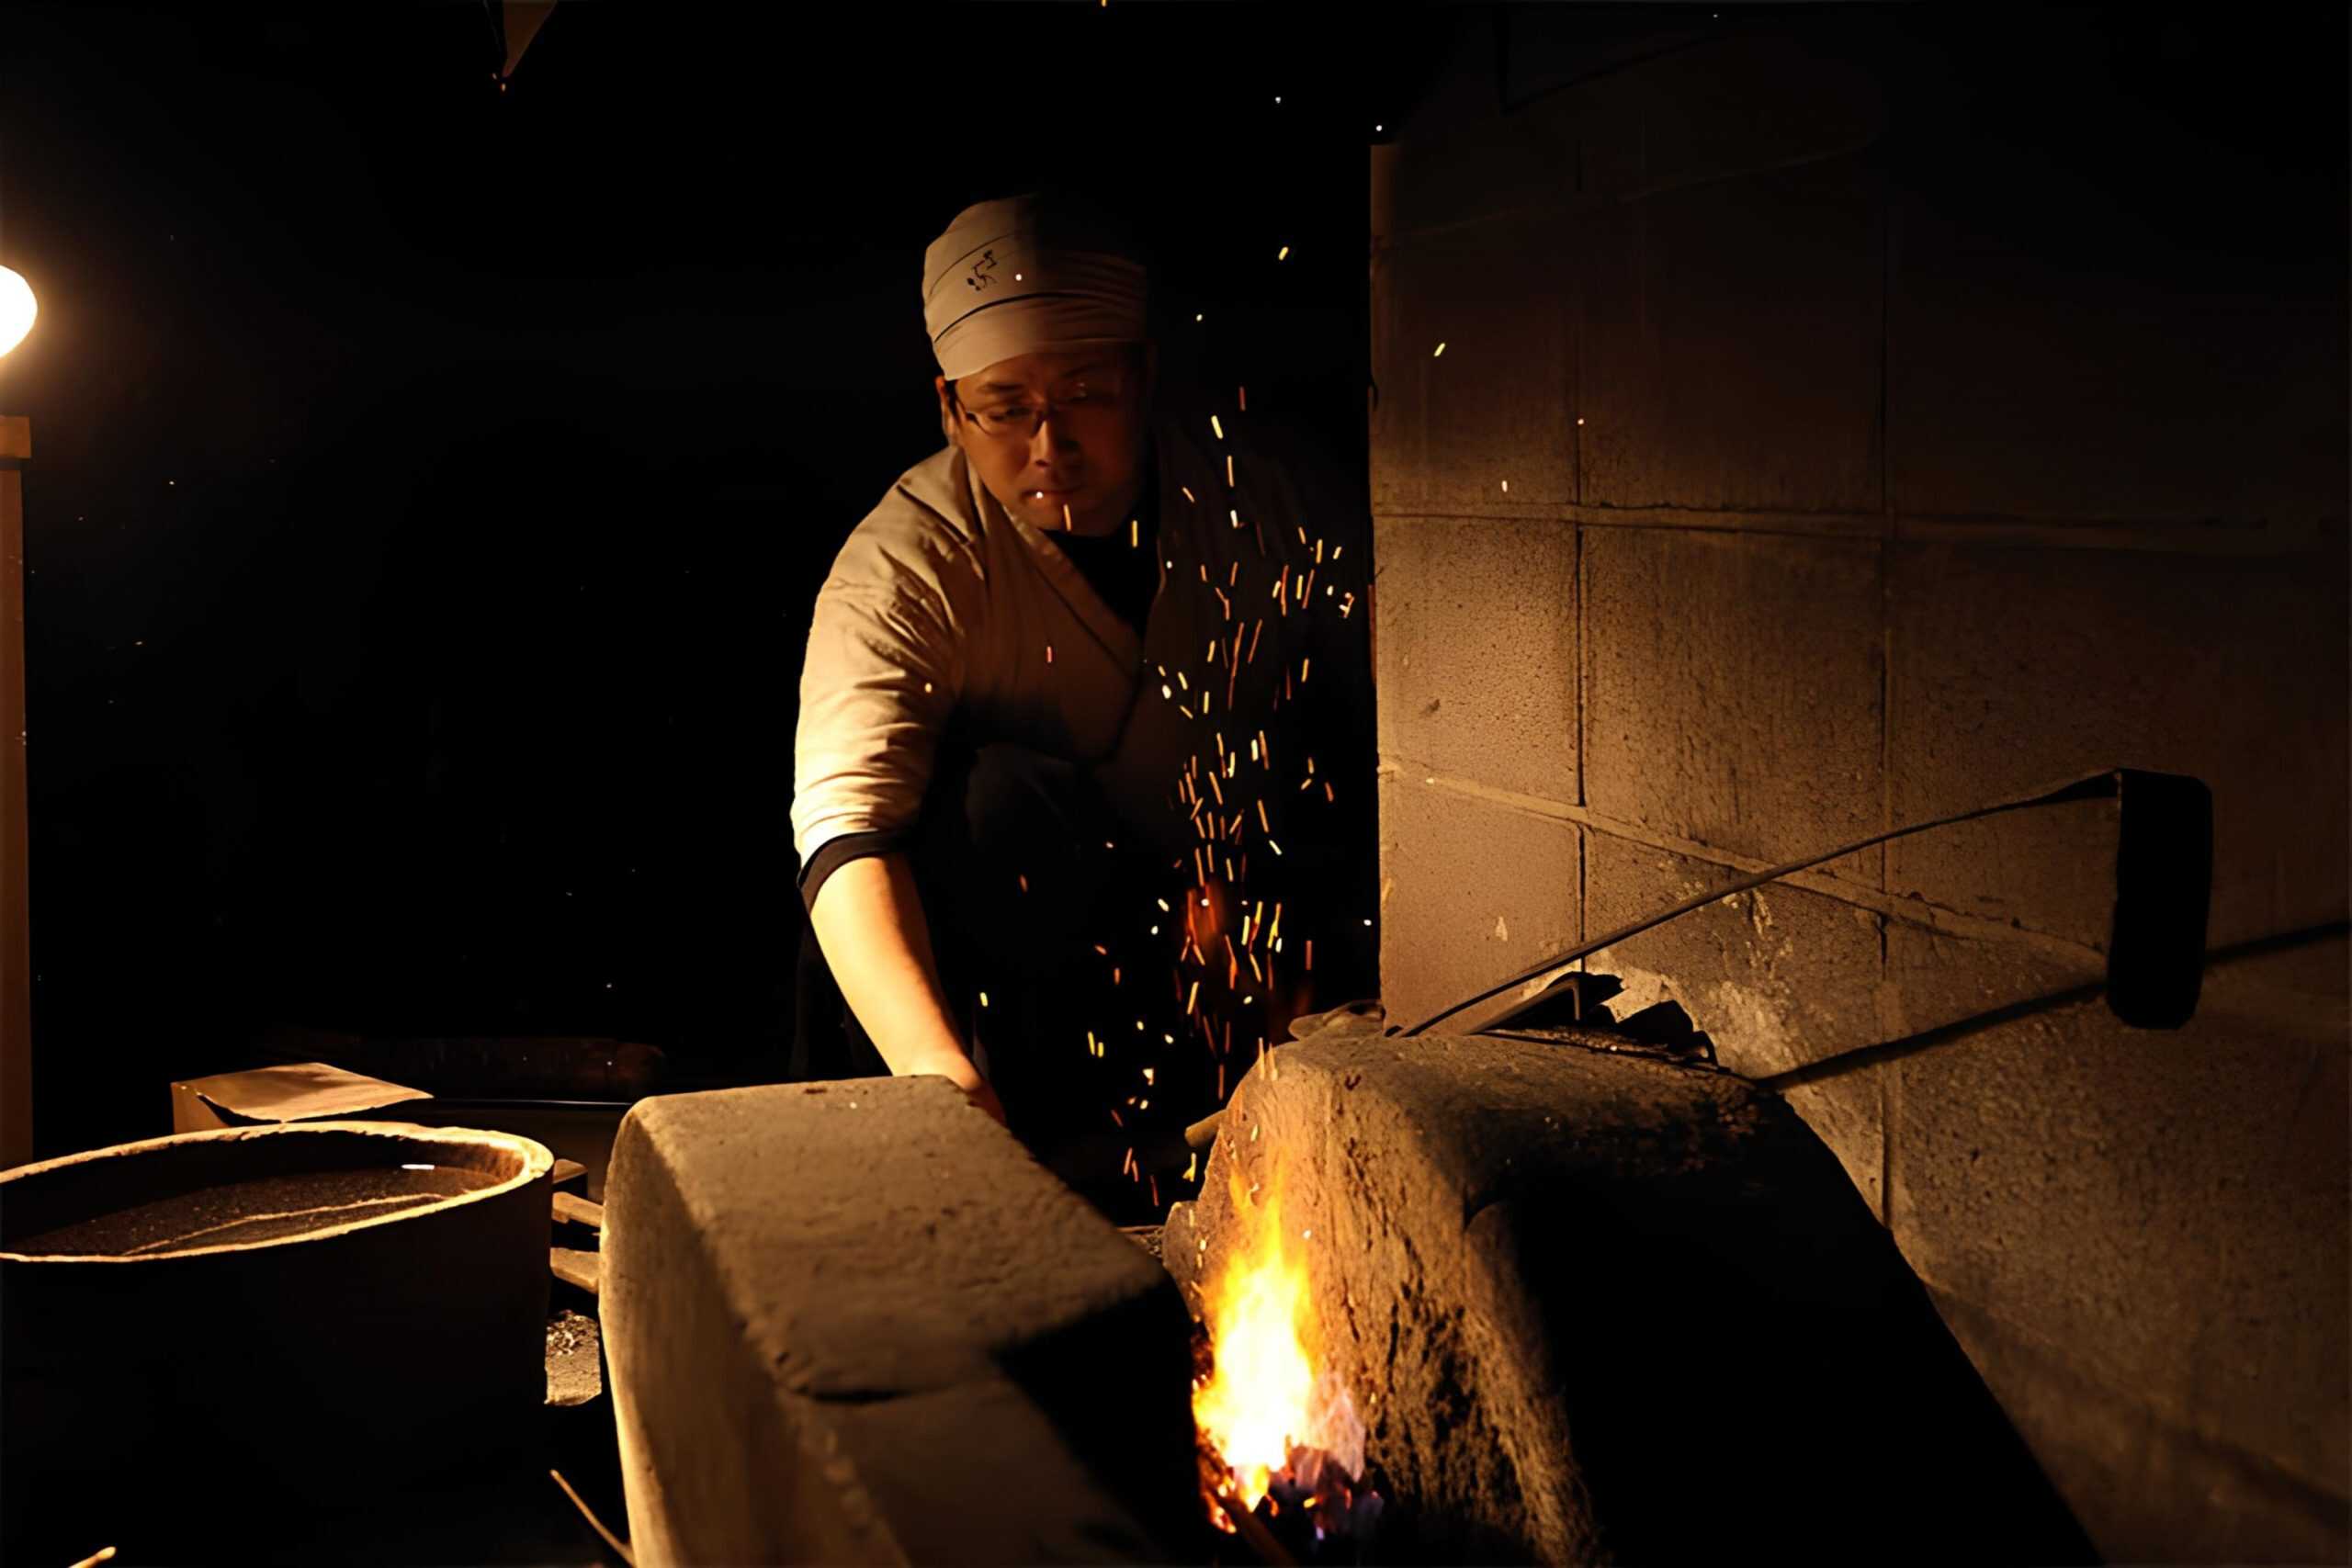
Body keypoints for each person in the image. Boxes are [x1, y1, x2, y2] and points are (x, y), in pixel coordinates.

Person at [790, 190, 1374, 1218]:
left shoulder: (1247, 495)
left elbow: (1375, 686)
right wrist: (936, 1070)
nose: (1048, 444)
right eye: (1005, 407)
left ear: (1139, 378)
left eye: (1083, 394)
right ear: (948, 407)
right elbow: (844, 832)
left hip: (1206, 925)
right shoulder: (906, 562)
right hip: (1006, 952)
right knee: (996, 799)